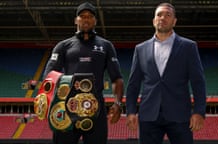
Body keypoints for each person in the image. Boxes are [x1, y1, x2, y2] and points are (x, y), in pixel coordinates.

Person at [43, 2, 124, 144]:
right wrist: (50, 103)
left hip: (96, 109)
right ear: (76, 20)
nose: (86, 19)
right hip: (67, 107)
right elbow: (49, 76)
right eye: (82, 16)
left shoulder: (106, 46)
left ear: (95, 21)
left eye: (90, 16)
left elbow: (117, 79)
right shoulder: (63, 46)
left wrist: (117, 103)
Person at [126, 2, 206, 144]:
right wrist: (131, 111)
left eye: (167, 15)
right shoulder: (140, 49)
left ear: (174, 21)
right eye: (159, 15)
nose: (162, 18)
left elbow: (198, 82)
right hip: (149, 115)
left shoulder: (189, 46)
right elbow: (133, 84)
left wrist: (199, 111)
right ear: (153, 20)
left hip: (180, 115)